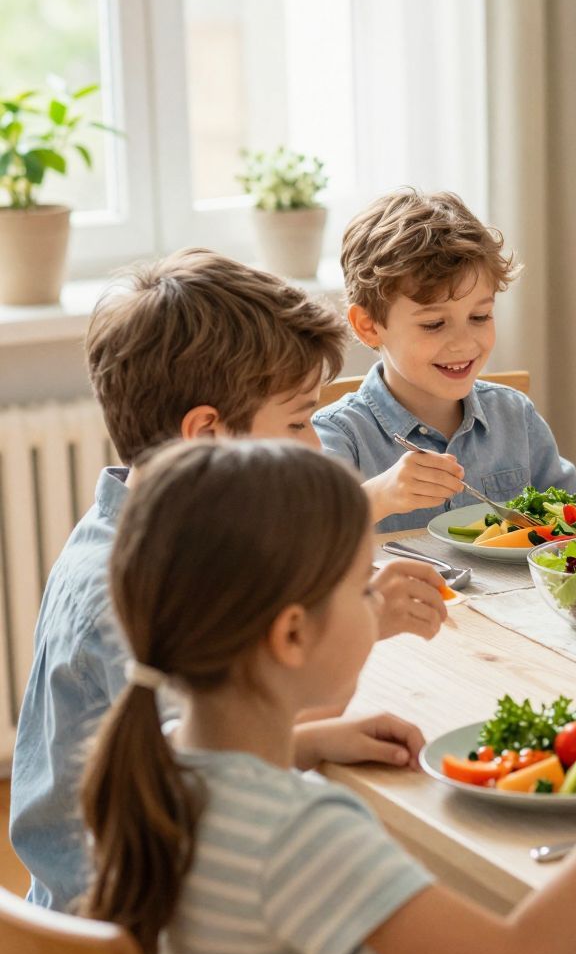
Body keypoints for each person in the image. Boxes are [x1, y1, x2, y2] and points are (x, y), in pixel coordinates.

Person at [81, 440, 576, 954]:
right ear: (293, 636)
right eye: (362, 588)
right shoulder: (302, 834)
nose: (376, 600)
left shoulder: (156, 757)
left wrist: (310, 739)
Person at [8, 250, 448, 915]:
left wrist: (312, 739)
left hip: (113, 918)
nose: (317, 448)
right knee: (442, 946)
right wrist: (363, 623)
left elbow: (195, 751)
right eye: (299, 423)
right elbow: (214, 786)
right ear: (207, 433)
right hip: (148, 949)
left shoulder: (140, 537)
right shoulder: (132, 594)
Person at [315, 189, 576, 533]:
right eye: (433, 324)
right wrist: (377, 497)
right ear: (369, 327)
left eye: (480, 316)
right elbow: (303, 545)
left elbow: (568, 526)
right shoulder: (338, 434)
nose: (464, 343)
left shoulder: (514, 416)